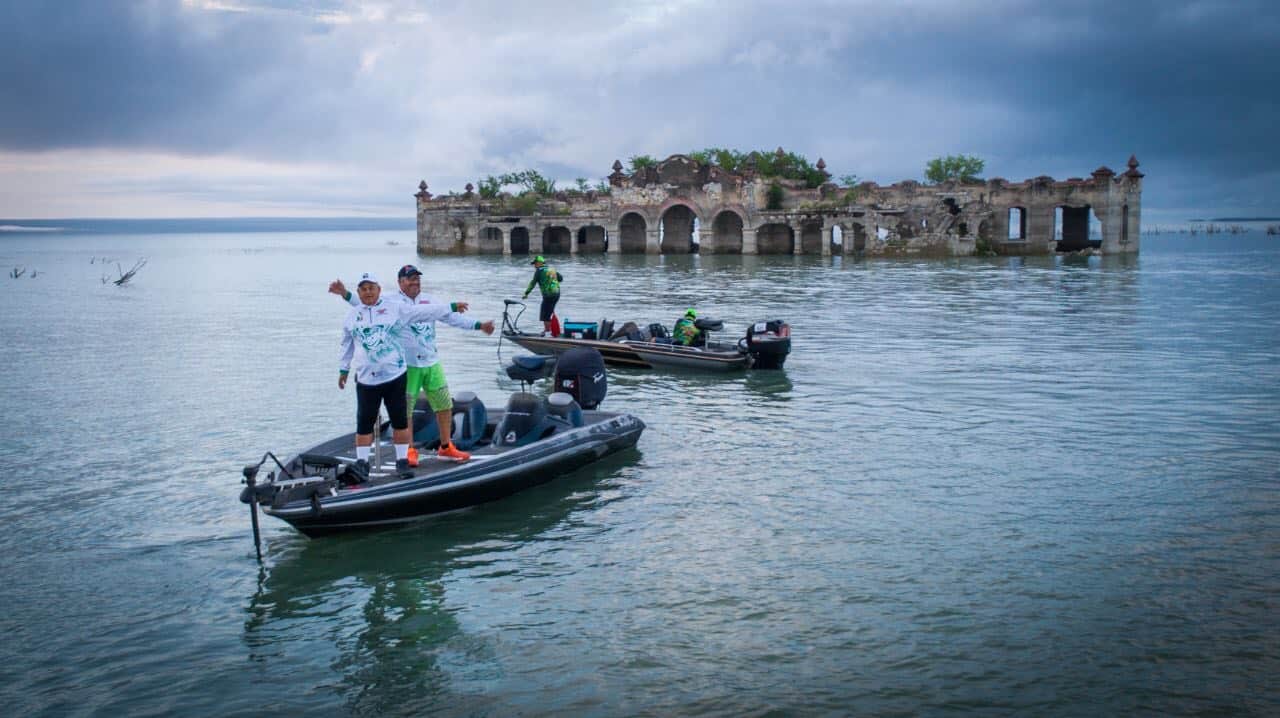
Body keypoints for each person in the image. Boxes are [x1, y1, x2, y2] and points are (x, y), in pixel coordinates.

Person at [331, 265, 494, 466]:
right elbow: (364, 304)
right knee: (404, 412)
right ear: (400, 282)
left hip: (431, 363)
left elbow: (450, 317)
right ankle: (408, 450)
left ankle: (446, 447)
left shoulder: (430, 301)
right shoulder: (390, 301)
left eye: (417, 278)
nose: (415, 282)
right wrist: (345, 294)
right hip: (408, 367)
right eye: (410, 279)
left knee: (444, 405)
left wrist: (479, 325)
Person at [522, 255, 563, 336]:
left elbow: (533, 283)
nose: (534, 266)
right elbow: (561, 279)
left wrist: (526, 293)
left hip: (548, 295)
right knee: (549, 312)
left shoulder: (539, 271)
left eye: (535, 264)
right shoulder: (552, 269)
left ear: (540, 263)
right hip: (557, 294)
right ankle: (552, 331)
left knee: (545, 314)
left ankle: (548, 332)